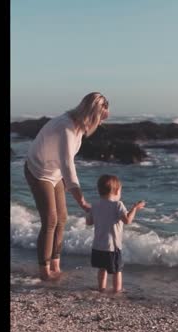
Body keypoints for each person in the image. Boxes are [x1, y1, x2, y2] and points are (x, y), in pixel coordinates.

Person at [24, 92, 109, 280]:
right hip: (38, 171)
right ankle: (44, 271)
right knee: (50, 219)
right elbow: (67, 164)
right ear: (92, 114)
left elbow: (65, 165)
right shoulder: (66, 128)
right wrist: (82, 201)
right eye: (101, 117)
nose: (101, 122)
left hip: (55, 173)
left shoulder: (78, 127)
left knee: (62, 217)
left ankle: (55, 263)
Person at [86, 174, 145, 292]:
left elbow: (89, 222)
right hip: (112, 247)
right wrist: (134, 208)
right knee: (117, 270)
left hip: (97, 246)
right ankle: (117, 291)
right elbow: (127, 220)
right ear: (117, 190)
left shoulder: (95, 205)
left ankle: (101, 288)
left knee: (102, 269)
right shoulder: (118, 205)